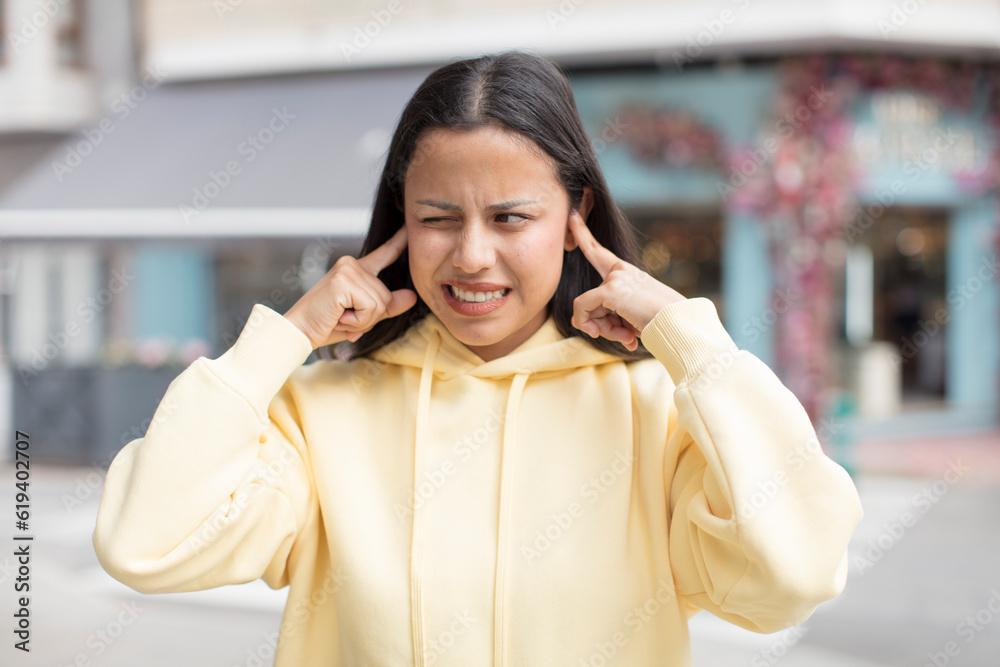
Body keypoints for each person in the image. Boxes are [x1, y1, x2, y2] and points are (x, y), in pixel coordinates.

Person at [93, 49, 863, 666]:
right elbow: (144, 544)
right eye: (437, 217)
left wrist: (693, 343)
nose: (471, 255)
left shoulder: (658, 412)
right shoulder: (318, 414)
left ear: (575, 215)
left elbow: (792, 576)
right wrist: (286, 336)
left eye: (510, 217)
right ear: (401, 218)